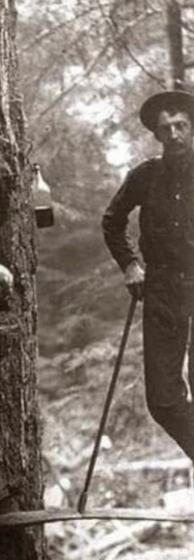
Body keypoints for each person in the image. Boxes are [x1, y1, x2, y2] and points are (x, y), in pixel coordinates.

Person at [103, 89, 194, 460]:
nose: (173, 135)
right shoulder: (145, 175)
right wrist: (130, 264)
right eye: (165, 129)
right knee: (163, 399)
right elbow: (112, 221)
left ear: (191, 128)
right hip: (162, 288)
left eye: (180, 126)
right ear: (156, 135)